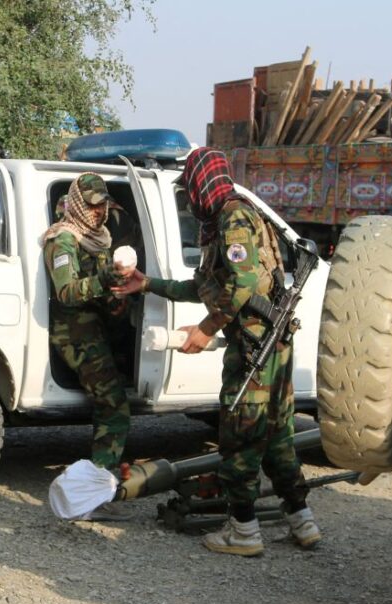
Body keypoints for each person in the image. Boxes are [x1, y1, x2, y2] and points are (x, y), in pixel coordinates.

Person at [113, 147, 320, 556]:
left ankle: (243, 531)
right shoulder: (228, 219)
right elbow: (209, 287)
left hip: (255, 349)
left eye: (190, 185)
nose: (189, 195)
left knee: (240, 437)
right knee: (278, 437)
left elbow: (242, 282)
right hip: (268, 344)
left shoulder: (232, 217)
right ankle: (303, 522)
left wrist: (207, 330)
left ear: (202, 181)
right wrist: (148, 283)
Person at [41, 173, 133, 521]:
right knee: (114, 408)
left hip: (95, 329)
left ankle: (91, 490)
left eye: (102, 206)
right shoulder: (63, 239)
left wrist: (116, 296)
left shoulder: (98, 238)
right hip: (75, 334)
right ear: (79, 203)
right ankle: (90, 497)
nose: (98, 213)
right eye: (92, 206)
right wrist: (105, 279)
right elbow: (67, 291)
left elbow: (100, 290)